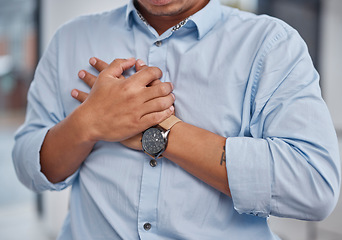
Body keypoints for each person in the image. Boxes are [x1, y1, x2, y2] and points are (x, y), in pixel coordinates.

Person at [13, 0, 341, 239]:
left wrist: (158, 132)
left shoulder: (270, 45)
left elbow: (312, 185)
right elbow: (30, 169)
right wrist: (88, 123)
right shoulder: (70, 38)